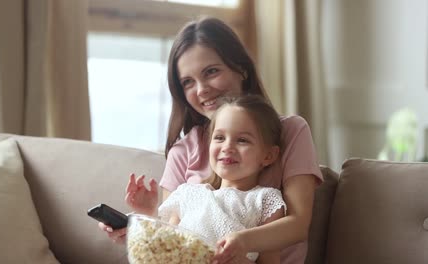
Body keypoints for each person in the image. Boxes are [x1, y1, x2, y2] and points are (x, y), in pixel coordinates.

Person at [99, 17, 323, 264]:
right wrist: (140, 224)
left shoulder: (290, 131)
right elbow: (173, 237)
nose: (202, 89)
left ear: (242, 69)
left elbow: (298, 225)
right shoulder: (183, 154)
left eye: (211, 72)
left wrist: (242, 242)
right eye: (188, 82)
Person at [126, 95, 286, 263]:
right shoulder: (187, 193)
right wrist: (147, 213)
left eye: (242, 140)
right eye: (219, 138)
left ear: (268, 155)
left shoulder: (266, 200)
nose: (227, 147)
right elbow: (166, 245)